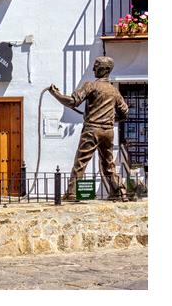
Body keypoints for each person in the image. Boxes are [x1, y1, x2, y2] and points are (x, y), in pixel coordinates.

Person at [48, 56, 129, 202]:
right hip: (108, 131)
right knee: (108, 163)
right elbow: (124, 112)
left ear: (104, 69)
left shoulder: (90, 86)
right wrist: (111, 120)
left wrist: (56, 95)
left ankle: (72, 192)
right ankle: (119, 191)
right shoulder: (114, 91)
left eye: (96, 66)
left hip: (92, 129)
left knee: (81, 161)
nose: (93, 68)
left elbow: (73, 102)